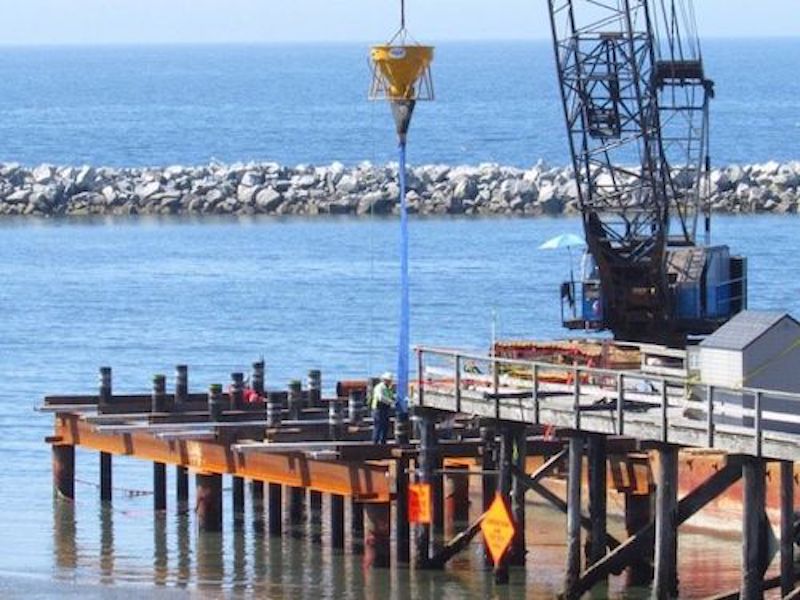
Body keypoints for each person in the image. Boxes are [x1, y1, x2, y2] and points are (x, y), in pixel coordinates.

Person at [371, 372, 395, 444]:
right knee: (378, 427)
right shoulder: (379, 387)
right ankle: (375, 443)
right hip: (378, 409)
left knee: (385, 427)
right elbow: (380, 397)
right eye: (388, 380)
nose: (390, 382)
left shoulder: (388, 388)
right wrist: (391, 402)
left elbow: (391, 396)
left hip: (385, 409)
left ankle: (383, 443)